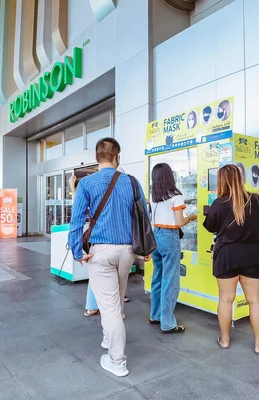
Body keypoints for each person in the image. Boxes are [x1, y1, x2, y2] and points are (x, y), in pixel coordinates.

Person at [68, 138, 150, 378]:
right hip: (127, 251)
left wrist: (77, 251)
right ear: (118, 156)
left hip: (100, 252)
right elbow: (143, 216)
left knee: (111, 309)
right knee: (116, 301)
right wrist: (146, 249)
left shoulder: (86, 183)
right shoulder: (132, 183)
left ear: (97, 158)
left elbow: (76, 221)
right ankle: (107, 338)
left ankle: (117, 361)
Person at [203, 164, 259, 355]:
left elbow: (209, 226)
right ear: (241, 179)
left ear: (221, 181)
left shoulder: (219, 203)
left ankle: (225, 341)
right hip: (254, 255)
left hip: (227, 256)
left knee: (226, 300)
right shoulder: (258, 201)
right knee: (256, 301)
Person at [69, 175, 131, 319]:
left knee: (98, 277)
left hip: (99, 244)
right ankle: (115, 312)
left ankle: (94, 308)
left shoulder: (90, 184)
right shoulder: (128, 184)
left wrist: (76, 251)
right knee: (117, 291)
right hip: (124, 245)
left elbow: (77, 216)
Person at [149, 163, 197, 333]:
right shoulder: (176, 196)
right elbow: (180, 222)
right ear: (170, 176)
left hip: (156, 236)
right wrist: (191, 217)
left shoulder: (154, 196)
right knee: (170, 280)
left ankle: (155, 315)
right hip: (170, 237)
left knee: (158, 277)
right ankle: (168, 323)